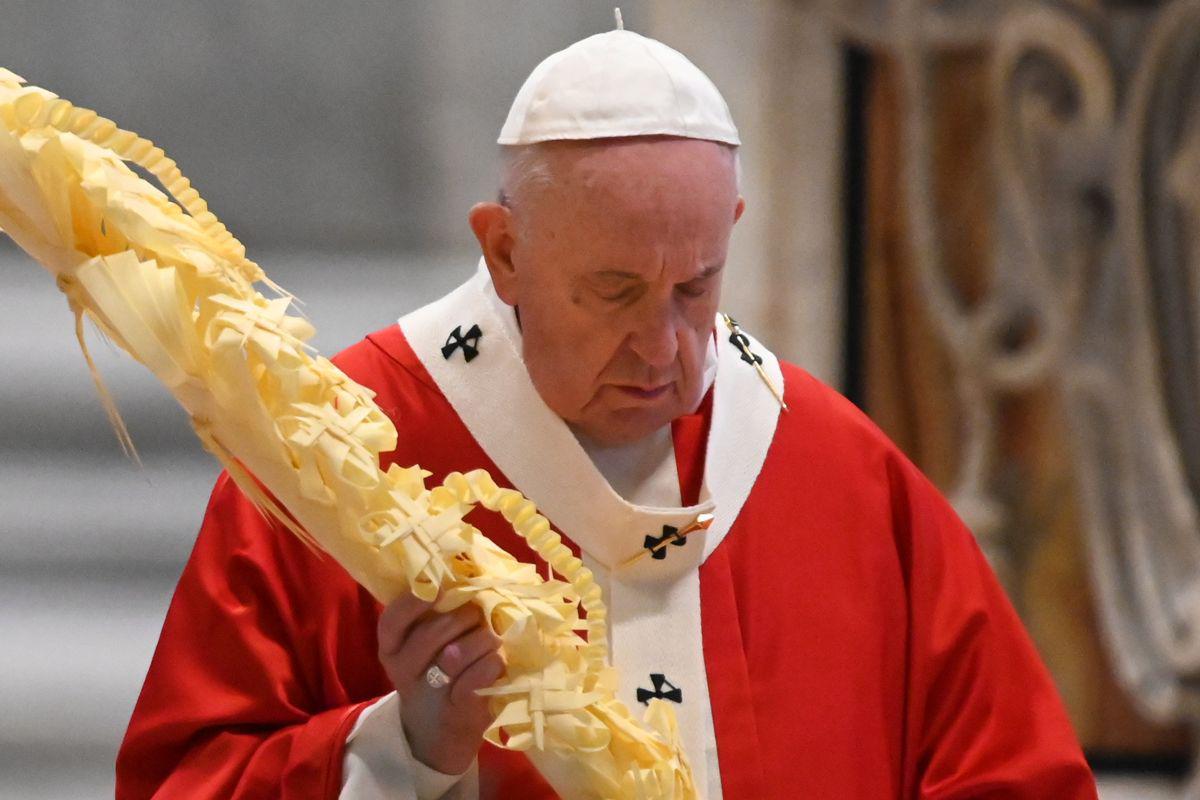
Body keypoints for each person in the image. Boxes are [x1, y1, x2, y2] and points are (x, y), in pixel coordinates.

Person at [115, 22, 1098, 800]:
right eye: (616, 291)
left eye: (696, 286)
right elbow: (183, 779)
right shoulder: (338, 455)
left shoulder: (837, 469)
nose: (666, 349)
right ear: (503, 251)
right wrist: (406, 750)